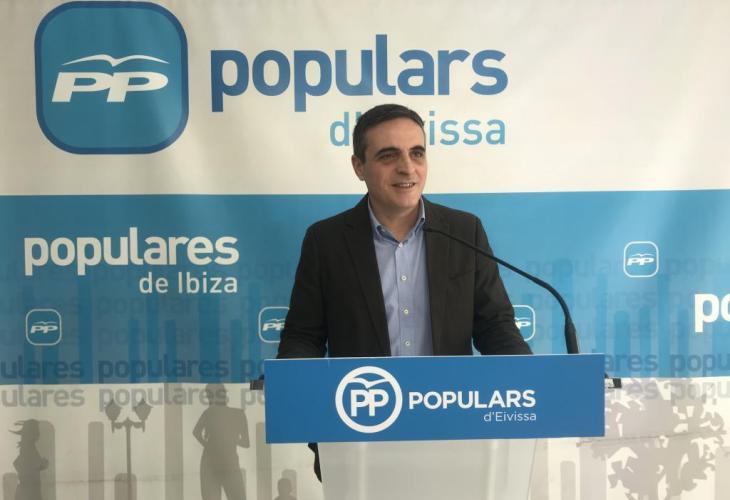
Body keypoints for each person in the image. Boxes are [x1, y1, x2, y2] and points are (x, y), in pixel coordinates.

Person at [276, 103, 531, 479]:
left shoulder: (464, 231)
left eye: (417, 153)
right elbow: (304, 336)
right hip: (359, 434)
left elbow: (496, 327)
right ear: (359, 166)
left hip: (454, 434)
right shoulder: (326, 241)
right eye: (388, 155)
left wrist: (531, 381)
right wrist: (295, 387)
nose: (407, 168)